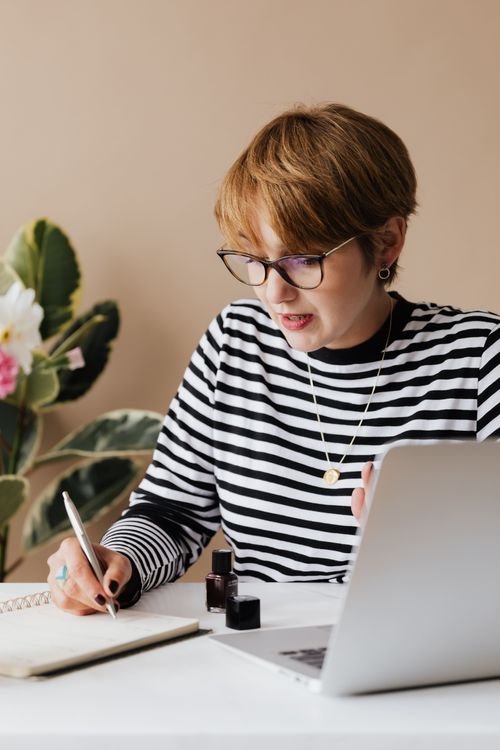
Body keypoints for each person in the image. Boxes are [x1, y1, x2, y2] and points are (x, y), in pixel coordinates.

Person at [47, 103, 500, 615]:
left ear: (388, 242)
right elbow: (172, 512)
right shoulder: (234, 342)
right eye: (255, 261)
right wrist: (116, 560)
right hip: (261, 657)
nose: (273, 292)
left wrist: (424, 541)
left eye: (303, 260)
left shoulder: (480, 358)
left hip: (420, 657)